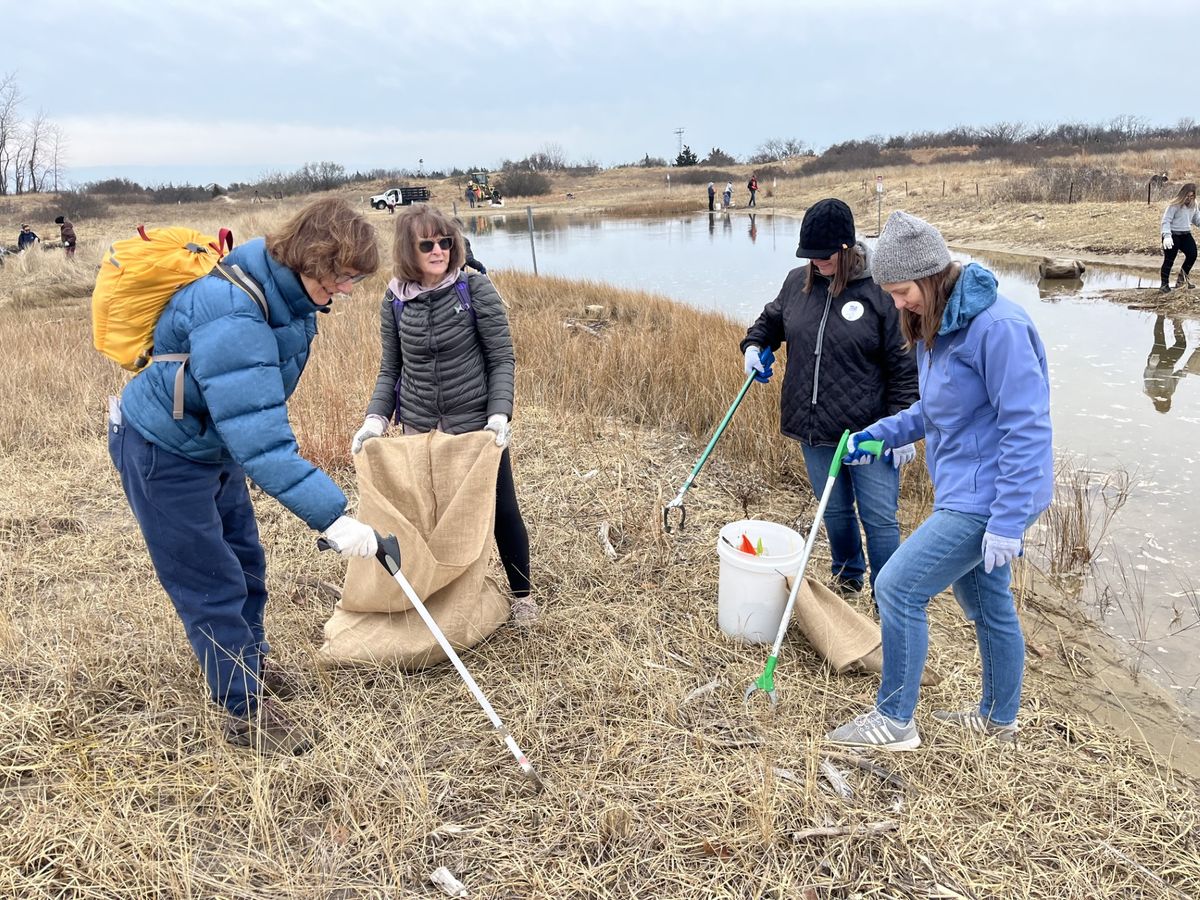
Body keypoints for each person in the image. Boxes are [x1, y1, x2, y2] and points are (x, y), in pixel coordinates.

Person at [108, 197, 381, 755]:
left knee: (246, 559)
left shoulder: (286, 295)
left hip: (210, 443)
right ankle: (242, 709)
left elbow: (249, 418)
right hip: (162, 453)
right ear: (313, 259)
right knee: (211, 579)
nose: (348, 289)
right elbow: (261, 439)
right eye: (344, 276)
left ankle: (248, 666)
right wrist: (334, 517)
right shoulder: (234, 313)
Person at [825, 211, 1052, 751]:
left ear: (932, 275)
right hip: (964, 488)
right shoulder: (939, 327)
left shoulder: (997, 328)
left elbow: (1027, 428)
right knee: (985, 601)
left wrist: (1007, 521)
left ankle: (895, 719)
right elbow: (936, 409)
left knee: (898, 586)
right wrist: (877, 435)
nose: (898, 304)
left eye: (903, 292)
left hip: (992, 497)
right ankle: (999, 718)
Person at [351, 204, 533, 617]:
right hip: (418, 426)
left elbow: (502, 358)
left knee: (500, 507)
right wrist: (375, 420)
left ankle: (523, 598)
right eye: (427, 244)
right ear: (407, 250)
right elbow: (390, 368)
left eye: (446, 241)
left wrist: (499, 414)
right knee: (429, 516)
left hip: (475, 425)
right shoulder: (395, 300)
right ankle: (438, 596)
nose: (439, 250)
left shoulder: (475, 289)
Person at [740, 198, 918, 597]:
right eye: (809, 255)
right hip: (814, 427)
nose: (816, 263)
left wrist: (904, 428)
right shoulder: (796, 283)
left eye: (824, 256)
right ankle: (848, 578)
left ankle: (886, 595)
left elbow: (904, 365)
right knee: (833, 510)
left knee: (879, 517)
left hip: (872, 431)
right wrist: (753, 347)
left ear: (846, 249)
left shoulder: (880, 291)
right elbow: (770, 323)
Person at [1143, 315, 1190, 413]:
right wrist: (1183, 372)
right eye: (1167, 402)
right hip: (1169, 364)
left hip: (1156, 362)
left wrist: (1152, 365)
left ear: (1157, 402)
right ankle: (1177, 324)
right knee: (1181, 345)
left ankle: (1160, 316)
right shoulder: (1170, 392)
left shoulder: (1151, 391)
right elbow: (1174, 379)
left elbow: (1148, 376)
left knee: (1159, 339)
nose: (1165, 400)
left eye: (1163, 403)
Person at [1160, 182, 1200, 292]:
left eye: (1192, 196)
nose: (1189, 198)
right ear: (1183, 194)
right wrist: (1167, 236)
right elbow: (1166, 221)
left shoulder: (1194, 204)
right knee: (1169, 260)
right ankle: (1164, 284)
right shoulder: (1174, 204)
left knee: (1192, 255)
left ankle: (1181, 281)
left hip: (1185, 234)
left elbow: (1196, 219)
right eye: (1187, 196)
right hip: (1172, 235)